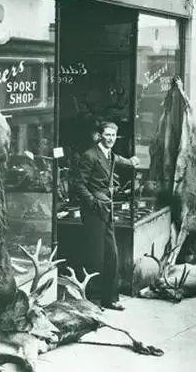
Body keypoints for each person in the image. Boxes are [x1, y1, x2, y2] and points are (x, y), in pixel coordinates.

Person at [70, 122, 139, 310]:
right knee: (95, 257)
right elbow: (79, 184)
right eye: (107, 135)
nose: (110, 138)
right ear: (100, 136)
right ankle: (92, 301)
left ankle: (110, 299)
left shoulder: (110, 156)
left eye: (113, 135)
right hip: (93, 212)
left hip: (106, 211)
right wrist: (92, 202)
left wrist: (132, 161)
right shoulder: (90, 156)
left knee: (112, 255)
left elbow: (121, 160)